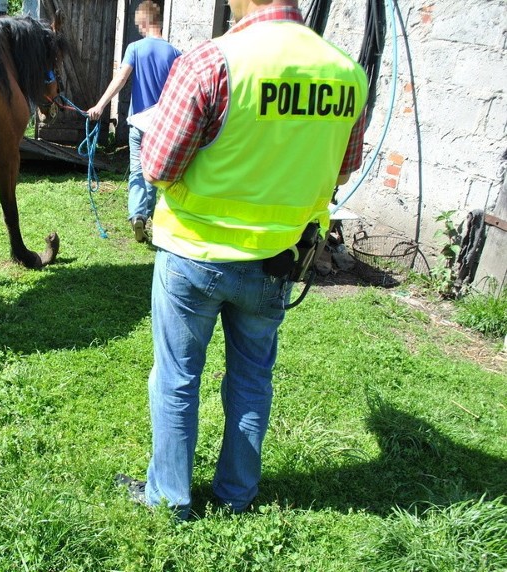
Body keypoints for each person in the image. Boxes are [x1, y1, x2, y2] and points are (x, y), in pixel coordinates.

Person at [115, 0, 369, 519]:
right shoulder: (346, 72)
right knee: (252, 381)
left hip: (195, 253)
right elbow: (345, 169)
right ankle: (235, 497)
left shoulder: (213, 62)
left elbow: (159, 166)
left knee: (177, 378)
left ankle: (170, 497)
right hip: (278, 259)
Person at [87, 1, 180, 243]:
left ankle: (137, 214)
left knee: (137, 171)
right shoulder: (175, 53)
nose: (138, 28)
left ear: (147, 21)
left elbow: (120, 79)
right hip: (162, 126)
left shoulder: (136, 48)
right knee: (154, 174)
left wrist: (100, 105)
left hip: (138, 123)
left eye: (139, 24)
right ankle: (144, 215)